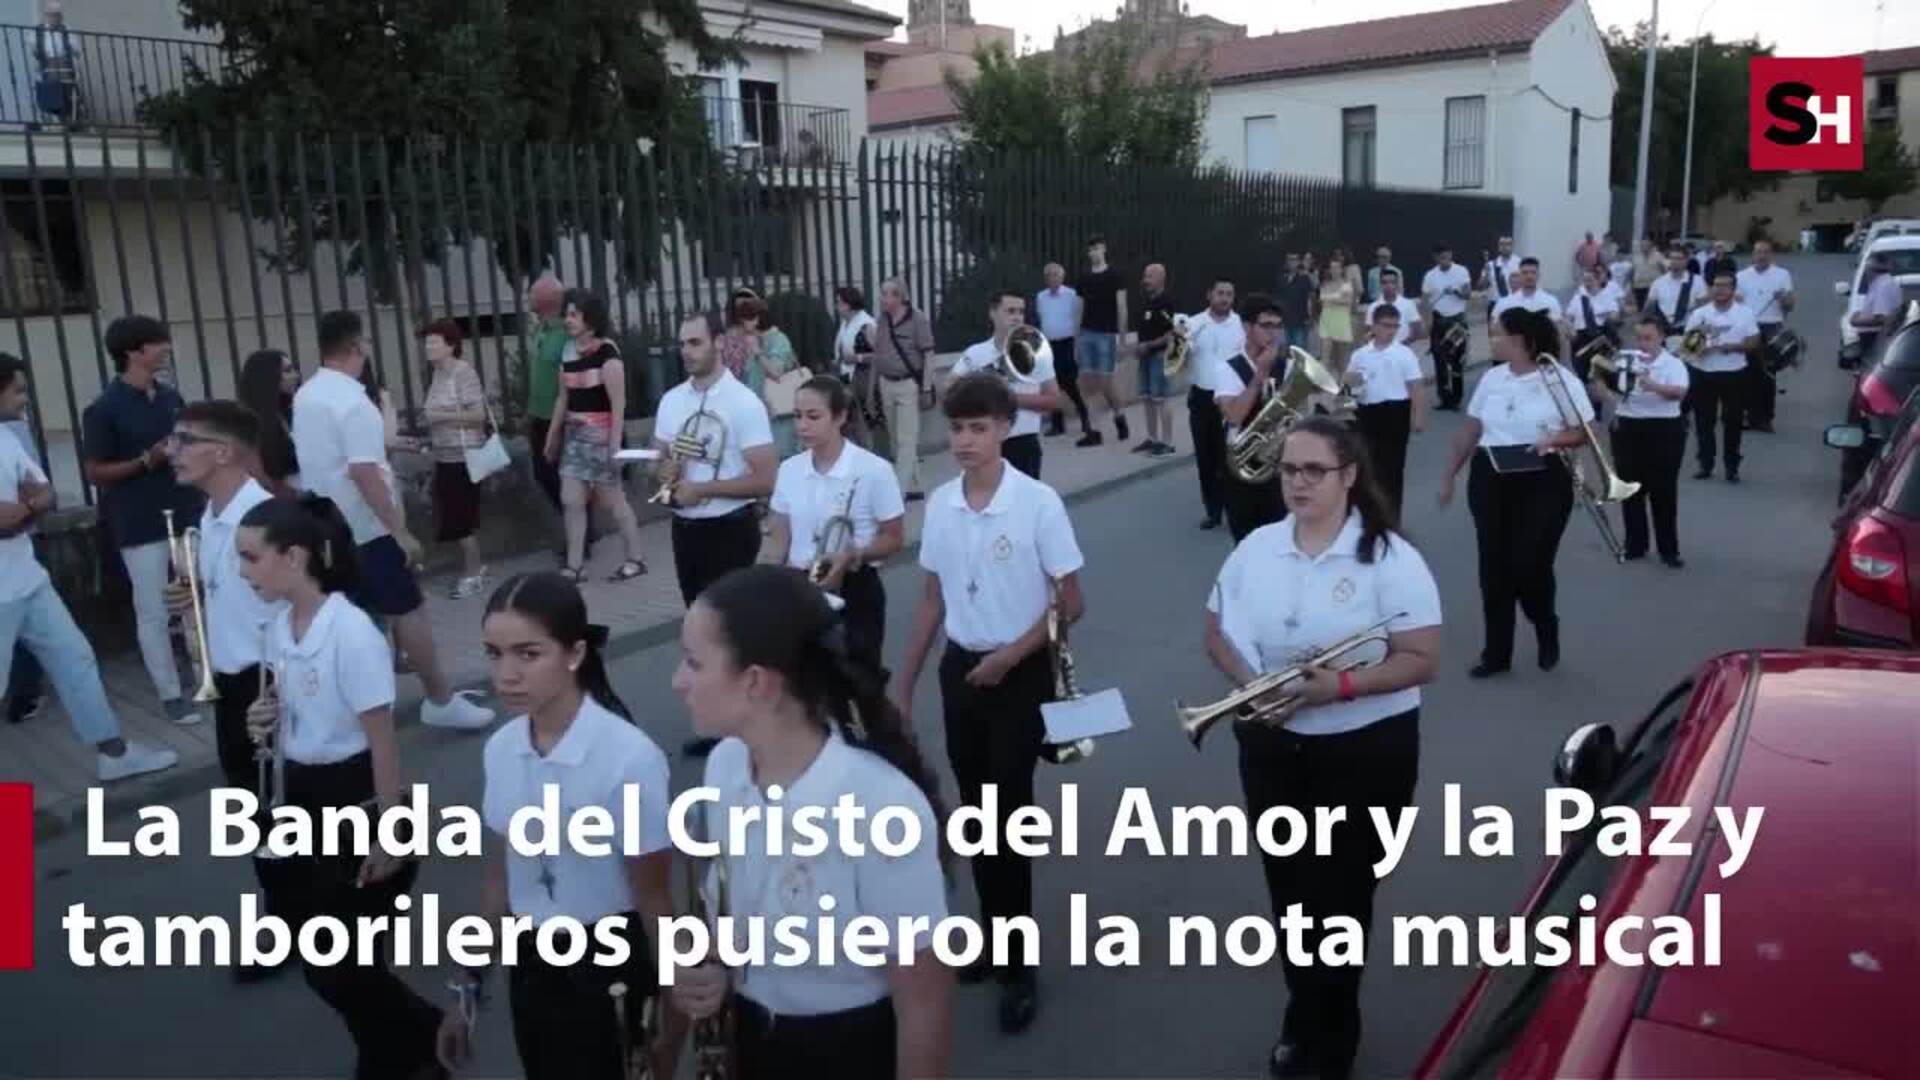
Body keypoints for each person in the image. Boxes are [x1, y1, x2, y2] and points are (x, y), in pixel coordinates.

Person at [1203, 416, 1440, 1080]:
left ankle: (1330, 1037)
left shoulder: (1390, 558)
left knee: (1341, 898)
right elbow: (1216, 631)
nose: (1298, 482)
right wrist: (1252, 687)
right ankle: (1306, 1011)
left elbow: (1422, 659)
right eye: (1288, 469)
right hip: (1274, 746)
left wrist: (1339, 686)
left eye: (1315, 470)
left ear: (1349, 476)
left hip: (1365, 753)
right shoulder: (1256, 548)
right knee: (1290, 894)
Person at [671, 565, 954, 1079]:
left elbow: (923, 1003)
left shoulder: (879, 806)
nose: (679, 682)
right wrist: (710, 965)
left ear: (756, 682)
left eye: (694, 663)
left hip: (846, 1048)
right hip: (754, 1033)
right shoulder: (726, 766)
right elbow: (729, 907)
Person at [891, 373, 1085, 1034]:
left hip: (1019, 672)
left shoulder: (1037, 504)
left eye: (979, 428)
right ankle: (994, 938)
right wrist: (903, 684)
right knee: (976, 816)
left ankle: (1018, 963)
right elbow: (932, 600)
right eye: (958, 429)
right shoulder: (943, 503)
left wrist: (1011, 655)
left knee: (1008, 814)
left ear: (1005, 428)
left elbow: (1071, 602)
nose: (966, 441)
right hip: (963, 670)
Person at [435, 573, 679, 1080]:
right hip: (531, 958)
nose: (506, 675)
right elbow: (501, 881)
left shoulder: (628, 758)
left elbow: (654, 898)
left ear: (574, 653)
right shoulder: (502, 749)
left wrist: (670, 1032)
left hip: (609, 960)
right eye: (494, 654)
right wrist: (468, 984)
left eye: (528, 654)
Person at [237, 494, 444, 1076]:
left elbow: (382, 739)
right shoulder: (279, 628)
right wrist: (263, 720)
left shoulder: (351, 633)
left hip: (358, 799)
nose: (243, 572)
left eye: (251, 558)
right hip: (304, 798)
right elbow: (294, 716)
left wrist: (389, 831)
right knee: (331, 961)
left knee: (341, 965)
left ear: (294, 557)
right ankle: (402, 1046)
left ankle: (414, 1042)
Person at [291, 309, 496, 731]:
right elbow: (364, 472)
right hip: (367, 529)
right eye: (365, 342)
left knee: (353, 622)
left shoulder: (306, 395)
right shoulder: (354, 403)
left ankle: (354, 706)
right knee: (409, 612)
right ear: (355, 346)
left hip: (324, 527)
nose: (368, 349)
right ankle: (439, 699)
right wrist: (399, 531)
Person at [0, 353, 178, 781]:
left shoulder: (6, 437)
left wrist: (24, 508)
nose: (25, 399)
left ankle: (113, 754)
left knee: (75, 657)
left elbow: (43, 493)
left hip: (27, 577)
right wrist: (23, 509)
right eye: (18, 391)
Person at [163, 400, 288, 980]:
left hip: (269, 682)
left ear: (222, 452)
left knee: (283, 808)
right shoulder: (209, 519)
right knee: (254, 808)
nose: (172, 450)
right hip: (230, 683)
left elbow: (297, 608)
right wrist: (193, 595)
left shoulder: (263, 520)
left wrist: (283, 688)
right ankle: (289, 908)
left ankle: (291, 921)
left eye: (184, 440)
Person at [1438, 308, 1591, 678]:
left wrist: (1554, 440)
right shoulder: (1492, 378)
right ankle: (1497, 653)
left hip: (1544, 477)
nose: (1492, 341)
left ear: (1521, 340)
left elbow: (1585, 431)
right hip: (1491, 476)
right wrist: (1449, 475)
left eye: (1498, 334)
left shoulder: (1559, 379)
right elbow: (1471, 430)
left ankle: (1545, 623)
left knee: (1530, 563)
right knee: (1493, 567)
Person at [655, 311, 778, 758]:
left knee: (734, 636)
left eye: (695, 343)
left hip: (730, 529)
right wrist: (665, 474)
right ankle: (721, 727)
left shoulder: (744, 403)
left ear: (719, 343)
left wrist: (703, 489)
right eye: (683, 344)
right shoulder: (672, 401)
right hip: (685, 529)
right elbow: (662, 461)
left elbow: (766, 478)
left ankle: (753, 726)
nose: (687, 352)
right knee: (701, 633)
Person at [82, 314, 207, 727]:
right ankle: (170, 694)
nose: (166, 348)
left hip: (184, 509)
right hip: (138, 520)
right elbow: (96, 472)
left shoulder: (171, 398)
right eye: (158, 343)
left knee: (195, 601)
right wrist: (146, 460)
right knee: (153, 610)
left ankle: (205, 677)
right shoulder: (104, 409)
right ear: (133, 352)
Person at [767, 376, 907, 674]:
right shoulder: (789, 469)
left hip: (854, 586)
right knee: (806, 683)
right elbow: (779, 541)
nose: (802, 425)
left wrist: (854, 555)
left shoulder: (874, 470)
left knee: (859, 680)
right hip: (801, 586)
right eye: (797, 416)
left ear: (840, 417)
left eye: (813, 416)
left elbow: (894, 537)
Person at [544, 289, 648, 582]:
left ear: (591, 318)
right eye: (566, 314)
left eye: (574, 314)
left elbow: (618, 403)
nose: (568, 320)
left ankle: (636, 558)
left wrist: (614, 445)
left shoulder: (607, 353)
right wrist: (552, 435)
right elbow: (563, 398)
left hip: (602, 437)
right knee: (571, 500)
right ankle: (575, 566)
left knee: (614, 502)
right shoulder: (567, 351)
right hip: (574, 439)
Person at [1591, 316, 1689, 567]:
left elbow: (1679, 393)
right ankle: (1635, 544)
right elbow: (1599, 378)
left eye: (1648, 338)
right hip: (1628, 426)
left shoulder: (1673, 363)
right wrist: (1603, 390)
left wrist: (1653, 385)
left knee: (1663, 490)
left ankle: (1669, 549)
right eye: (1639, 338)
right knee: (1630, 487)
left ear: (1661, 338)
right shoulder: (1625, 359)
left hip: (1664, 428)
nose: (1643, 343)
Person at [951, 290, 1062, 481]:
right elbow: (949, 390)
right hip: (984, 443)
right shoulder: (976, 353)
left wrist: (1009, 398)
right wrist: (977, 394)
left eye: (1021, 312)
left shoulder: (1037, 353)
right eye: (1010, 311)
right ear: (992, 313)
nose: (1017, 317)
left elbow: (1053, 401)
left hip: (1023, 443)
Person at [419, 319, 491, 598]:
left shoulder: (463, 373)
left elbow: (478, 416)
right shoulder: (438, 374)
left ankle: (474, 573)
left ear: (451, 346)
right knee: (452, 518)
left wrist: (440, 417)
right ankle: (472, 568)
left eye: (434, 342)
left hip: (465, 457)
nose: (428, 347)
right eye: (427, 342)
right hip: (444, 456)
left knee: (461, 520)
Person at [1212, 296, 1289, 542]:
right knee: (1246, 543)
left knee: (1280, 544)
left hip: (1277, 468)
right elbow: (1234, 416)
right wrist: (1260, 374)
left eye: (1278, 326)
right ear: (1247, 327)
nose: (1273, 332)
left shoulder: (1286, 366)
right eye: (1266, 325)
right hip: (1241, 469)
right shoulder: (1228, 368)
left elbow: (1295, 415)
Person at [1344, 303, 1427, 518]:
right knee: (1367, 467)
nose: (1391, 331)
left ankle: (1391, 518)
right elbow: (1349, 385)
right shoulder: (1360, 355)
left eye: (1395, 326)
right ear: (1374, 326)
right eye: (1386, 325)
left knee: (1392, 469)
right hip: (1367, 413)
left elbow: (1416, 387)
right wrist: (1350, 386)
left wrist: (1418, 417)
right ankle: (1369, 516)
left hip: (1395, 412)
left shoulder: (1404, 354)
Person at [1681, 272, 1760, 484]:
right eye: (1716, 285)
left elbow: (1753, 342)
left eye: (1725, 286)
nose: (1719, 290)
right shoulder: (1700, 314)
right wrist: (1701, 348)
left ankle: (1732, 466)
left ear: (1733, 290)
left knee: (1733, 421)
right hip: (1703, 373)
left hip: (1734, 373)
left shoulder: (1744, 313)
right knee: (1703, 421)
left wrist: (1732, 347)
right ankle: (1705, 464)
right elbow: (1687, 346)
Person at [866, 278, 936, 500]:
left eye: (886, 294)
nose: (881, 298)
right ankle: (915, 485)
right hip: (886, 383)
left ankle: (897, 494)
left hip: (908, 385)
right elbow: (878, 355)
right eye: (882, 293)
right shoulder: (882, 319)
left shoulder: (917, 319)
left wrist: (926, 388)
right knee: (896, 440)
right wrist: (872, 389)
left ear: (899, 297)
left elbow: (929, 355)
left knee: (906, 440)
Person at [1187, 279, 1248, 530]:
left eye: (1229, 294)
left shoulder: (1241, 325)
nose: (1224, 298)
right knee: (1205, 457)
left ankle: (1234, 507)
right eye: (1220, 293)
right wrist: (1178, 342)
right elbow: (1177, 358)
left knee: (1230, 457)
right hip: (1201, 396)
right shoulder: (1193, 323)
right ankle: (1213, 510)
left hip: (1232, 398)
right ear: (1209, 295)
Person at [1074, 238, 1131, 446]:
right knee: (1088, 385)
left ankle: (1119, 415)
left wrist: (1122, 340)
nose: (1094, 253)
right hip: (1086, 333)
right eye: (1091, 250)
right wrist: (1076, 339)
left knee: (1106, 384)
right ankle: (1094, 432)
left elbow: (1122, 307)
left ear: (1104, 249)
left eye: (1097, 248)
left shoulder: (1115, 275)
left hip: (1107, 335)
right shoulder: (1084, 277)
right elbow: (1079, 308)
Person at [1734, 240, 1794, 433]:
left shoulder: (1782, 275)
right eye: (1758, 252)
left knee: (1768, 375)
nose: (1762, 256)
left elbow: (1790, 305)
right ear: (1753, 255)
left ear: (1771, 255)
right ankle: (1746, 415)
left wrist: (1782, 298)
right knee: (1746, 373)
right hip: (1748, 327)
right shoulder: (1742, 276)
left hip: (1771, 327)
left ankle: (1765, 418)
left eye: (1766, 252)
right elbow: (1734, 304)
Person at [522, 272, 569, 515]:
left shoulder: (566, 334)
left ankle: (581, 526)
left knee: (559, 475)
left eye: (532, 293)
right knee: (543, 473)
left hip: (558, 418)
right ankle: (577, 523)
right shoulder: (541, 329)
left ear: (545, 299)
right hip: (538, 416)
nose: (528, 297)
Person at [734, 293, 802, 459]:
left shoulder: (778, 340)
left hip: (779, 414)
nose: (742, 327)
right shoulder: (755, 341)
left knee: (782, 458)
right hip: (759, 414)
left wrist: (757, 352)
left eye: (744, 321)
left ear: (756, 320)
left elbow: (776, 372)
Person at [1034, 263, 1090, 441]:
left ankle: (1084, 415)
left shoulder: (1071, 295)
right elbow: (1041, 318)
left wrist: (1078, 345)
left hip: (1067, 343)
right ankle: (1057, 424)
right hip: (1049, 345)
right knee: (1052, 384)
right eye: (1048, 275)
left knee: (1069, 383)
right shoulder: (1041, 297)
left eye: (1055, 275)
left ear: (1062, 277)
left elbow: (1078, 317)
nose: (1052, 278)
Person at [236, 348, 301, 496]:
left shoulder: (289, 412)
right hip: (275, 498)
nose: (295, 376)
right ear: (267, 376)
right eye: (287, 371)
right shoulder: (247, 422)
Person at [1131, 262, 1179, 456]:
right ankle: (1152, 439)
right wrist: (1138, 347)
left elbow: (1173, 332)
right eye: (1145, 276)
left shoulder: (1167, 302)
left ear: (1161, 278)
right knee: (1147, 398)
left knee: (1162, 399)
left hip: (1160, 355)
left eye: (1149, 276)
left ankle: (1167, 443)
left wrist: (1150, 345)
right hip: (1145, 356)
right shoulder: (1146, 301)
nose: (1145, 280)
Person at [1420, 244, 1472, 410]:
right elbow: (1424, 300)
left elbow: (1468, 294)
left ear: (1451, 255)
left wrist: (1456, 292)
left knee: (1456, 360)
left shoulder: (1461, 271)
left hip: (1456, 321)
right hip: (1438, 321)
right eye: (1441, 257)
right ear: (1435, 258)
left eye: (1447, 256)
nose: (1445, 260)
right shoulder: (1430, 275)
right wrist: (1426, 320)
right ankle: (1444, 398)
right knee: (1439, 360)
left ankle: (1456, 398)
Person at [1564, 262, 1622, 385]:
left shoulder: (1606, 297)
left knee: (1599, 375)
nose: (1587, 283)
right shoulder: (1578, 298)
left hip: (1600, 337)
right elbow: (1568, 317)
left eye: (1590, 280)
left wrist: (1606, 315)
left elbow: (1615, 316)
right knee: (1582, 373)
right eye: (1585, 280)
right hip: (1581, 338)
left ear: (1597, 280)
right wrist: (1570, 330)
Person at [1646, 245, 1707, 334]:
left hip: (1688, 329)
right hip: (1663, 329)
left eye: (1678, 258)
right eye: (1672, 258)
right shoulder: (1658, 283)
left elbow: (1702, 308)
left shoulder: (1697, 281)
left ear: (1686, 260)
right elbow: (1649, 308)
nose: (1674, 261)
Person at [1489, 258, 1564, 329]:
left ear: (1538, 275)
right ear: (1520, 275)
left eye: (1533, 273)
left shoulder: (1550, 302)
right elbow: (1494, 329)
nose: (1529, 276)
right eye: (1525, 273)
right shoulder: (1505, 303)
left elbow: (1558, 329)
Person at [1317, 254, 1357, 377]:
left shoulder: (1346, 285)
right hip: (1327, 320)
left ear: (1341, 270)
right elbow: (1321, 301)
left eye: (1336, 268)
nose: (1334, 270)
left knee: (1341, 360)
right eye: (1332, 268)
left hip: (1341, 322)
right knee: (1325, 358)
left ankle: (1342, 383)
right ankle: (1323, 382)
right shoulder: (1325, 284)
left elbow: (1348, 301)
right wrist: (1336, 300)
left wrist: (1330, 300)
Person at [834, 285, 877, 384]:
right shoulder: (845, 322)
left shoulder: (867, 325)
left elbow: (880, 355)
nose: (835, 307)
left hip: (863, 379)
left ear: (848, 304)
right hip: (846, 376)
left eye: (838, 303)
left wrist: (857, 358)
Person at [1276, 253, 1316, 353]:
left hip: (1300, 320)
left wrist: (1311, 317)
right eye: (1290, 259)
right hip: (1285, 320)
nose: (1292, 262)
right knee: (1286, 350)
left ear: (1298, 262)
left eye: (1295, 260)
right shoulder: (1281, 279)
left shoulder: (1304, 279)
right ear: (1286, 262)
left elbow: (1311, 299)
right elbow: (1278, 299)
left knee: (1299, 351)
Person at [1478, 236, 1521, 319]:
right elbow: (1480, 287)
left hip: (1514, 304)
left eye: (1508, 244)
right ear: (1498, 247)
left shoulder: (1520, 263)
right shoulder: (1490, 265)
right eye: (1502, 244)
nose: (1504, 247)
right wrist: (1486, 274)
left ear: (1512, 246)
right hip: (1495, 305)